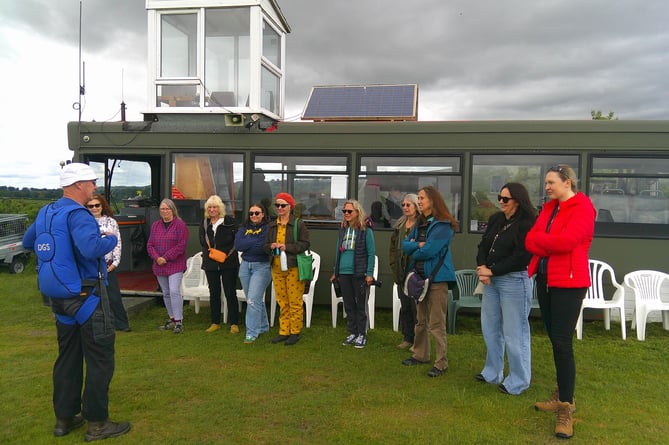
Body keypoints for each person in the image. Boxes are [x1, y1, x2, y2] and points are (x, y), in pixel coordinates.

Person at [22, 163, 130, 441]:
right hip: (87, 297)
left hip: (57, 299)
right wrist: (110, 239)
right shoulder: (79, 214)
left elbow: (27, 241)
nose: (94, 187)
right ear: (79, 184)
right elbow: (91, 248)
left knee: (67, 358)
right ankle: (97, 423)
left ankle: (65, 418)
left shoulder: (48, 211)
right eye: (91, 182)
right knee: (100, 360)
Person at [525, 164, 595, 439]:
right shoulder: (548, 209)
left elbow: (567, 243)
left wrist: (547, 241)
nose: (547, 187)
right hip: (545, 280)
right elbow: (530, 240)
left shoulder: (583, 208)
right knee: (555, 340)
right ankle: (560, 393)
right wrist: (548, 241)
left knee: (563, 342)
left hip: (569, 282)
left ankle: (566, 407)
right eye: (546, 183)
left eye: (551, 182)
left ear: (567, 182)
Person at [475, 183, 536, 395]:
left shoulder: (527, 223)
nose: (500, 201)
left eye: (505, 199)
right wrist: (483, 268)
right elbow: (483, 245)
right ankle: (492, 372)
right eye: (499, 197)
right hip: (491, 280)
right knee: (490, 327)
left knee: (514, 333)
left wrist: (492, 271)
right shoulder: (496, 220)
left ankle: (518, 381)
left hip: (514, 281)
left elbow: (522, 256)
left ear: (517, 201)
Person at [401, 185, 457, 378]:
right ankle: (420, 354)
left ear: (433, 200)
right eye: (419, 197)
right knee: (421, 320)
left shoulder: (443, 225)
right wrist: (418, 244)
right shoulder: (419, 224)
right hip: (419, 278)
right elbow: (405, 245)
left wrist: (416, 247)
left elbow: (429, 251)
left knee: (436, 323)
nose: (420, 201)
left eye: (422, 198)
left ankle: (441, 363)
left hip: (437, 279)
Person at [264, 192, 310, 346]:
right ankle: (284, 331)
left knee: (295, 301)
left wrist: (287, 247)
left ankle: (295, 332)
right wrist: (271, 246)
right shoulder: (271, 225)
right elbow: (264, 246)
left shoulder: (298, 224)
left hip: (293, 266)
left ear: (290, 207)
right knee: (282, 301)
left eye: (283, 205)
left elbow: (305, 244)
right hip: (276, 267)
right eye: (277, 205)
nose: (280, 208)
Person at [332, 199, 376, 349]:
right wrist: (335, 271)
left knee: (360, 305)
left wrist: (369, 274)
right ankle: (352, 332)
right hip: (343, 273)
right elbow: (338, 250)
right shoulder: (343, 229)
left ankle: (362, 334)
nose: (346, 214)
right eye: (344, 211)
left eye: (349, 211)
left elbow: (371, 253)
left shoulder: (366, 230)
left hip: (359, 273)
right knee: (348, 304)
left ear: (357, 212)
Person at [86, 194, 131, 332]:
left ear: (102, 206)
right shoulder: (83, 223)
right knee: (92, 298)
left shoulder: (111, 222)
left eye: (97, 205)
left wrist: (115, 262)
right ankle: (96, 325)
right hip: (90, 266)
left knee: (114, 297)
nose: (94, 208)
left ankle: (122, 324)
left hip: (108, 265)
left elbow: (117, 243)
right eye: (91, 206)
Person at [199, 195, 240, 334]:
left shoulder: (230, 222)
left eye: (215, 207)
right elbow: (202, 241)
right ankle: (215, 322)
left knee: (230, 292)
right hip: (210, 264)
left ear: (220, 208)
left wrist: (224, 254)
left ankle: (234, 323)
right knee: (214, 293)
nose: (212, 210)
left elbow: (237, 241)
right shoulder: (205, 223)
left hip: (229, 263)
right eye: (209, 207)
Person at [147, 198, 188, 334]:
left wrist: (166, 257)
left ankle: (179, 321)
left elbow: (181, 246)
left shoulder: (180, 225)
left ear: (172, 210)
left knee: (174, 291)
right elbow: (150, 244)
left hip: (175, 264)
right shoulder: (155, 225)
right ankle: (171, 318)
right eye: (162, 209)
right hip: (159, 265)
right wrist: (157, 257)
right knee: (166, 293)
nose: (164, 211)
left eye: (167, 209)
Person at [235, 203, 272, 343]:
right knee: (254, 299)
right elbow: (238, 245)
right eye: (251, 213)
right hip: (245, 266)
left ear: (263, 214)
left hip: (262, 266)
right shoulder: (243, 228)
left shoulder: (268, 229)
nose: (254, 216)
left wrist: (248, 242)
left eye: (257, 213)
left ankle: (251, 332)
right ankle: (263, 326)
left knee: (252, 300)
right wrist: (254, 242)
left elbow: (263, 248)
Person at [389, 193, 419, 349]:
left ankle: (418, 342)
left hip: (416, 271)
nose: (405, 208)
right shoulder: (399, 225)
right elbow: (393, 248)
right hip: (401, 272)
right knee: (405, 306)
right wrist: (394, 265)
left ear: (416, 206)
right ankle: (407, 338)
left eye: (409, 205)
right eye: (404, 205)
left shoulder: (421, 225)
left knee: (416, 309)